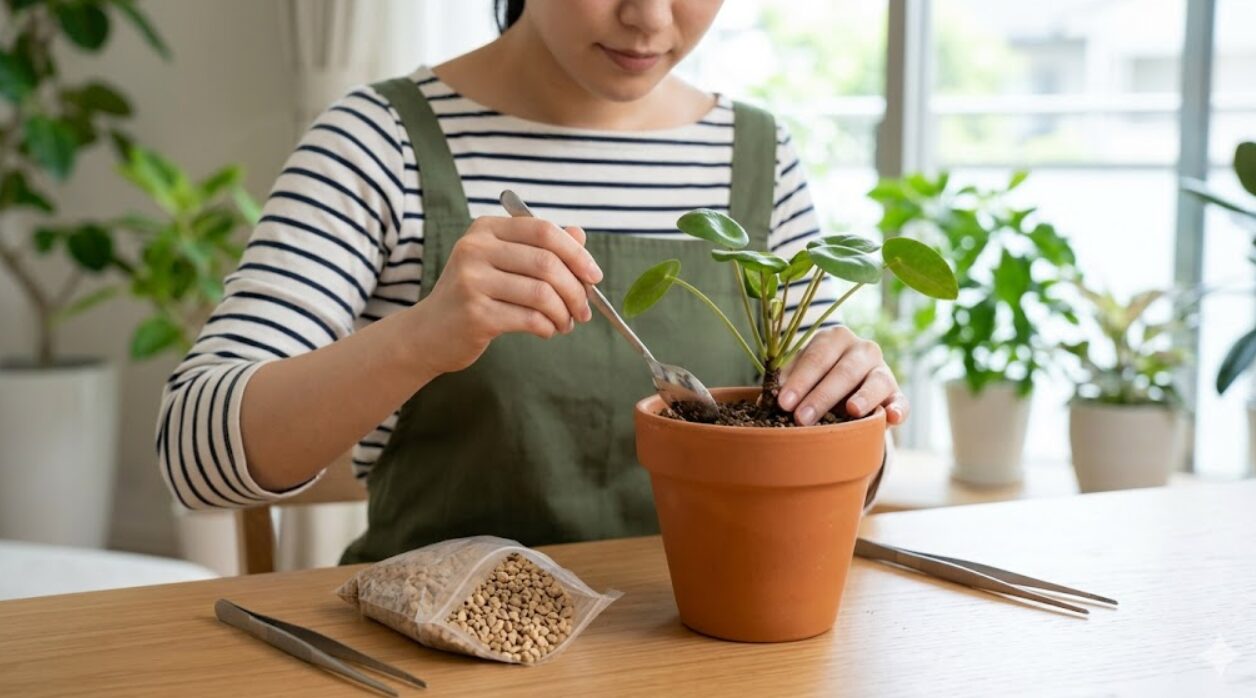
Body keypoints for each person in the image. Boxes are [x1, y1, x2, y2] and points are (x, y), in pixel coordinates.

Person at [156, 0, 909, 563]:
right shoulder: (377, 141)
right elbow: (193, 455)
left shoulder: (760, 155)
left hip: (706, 650)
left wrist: (851, 411)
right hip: (432, 655)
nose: (648, 18)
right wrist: (420, 338)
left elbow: (835, 464)